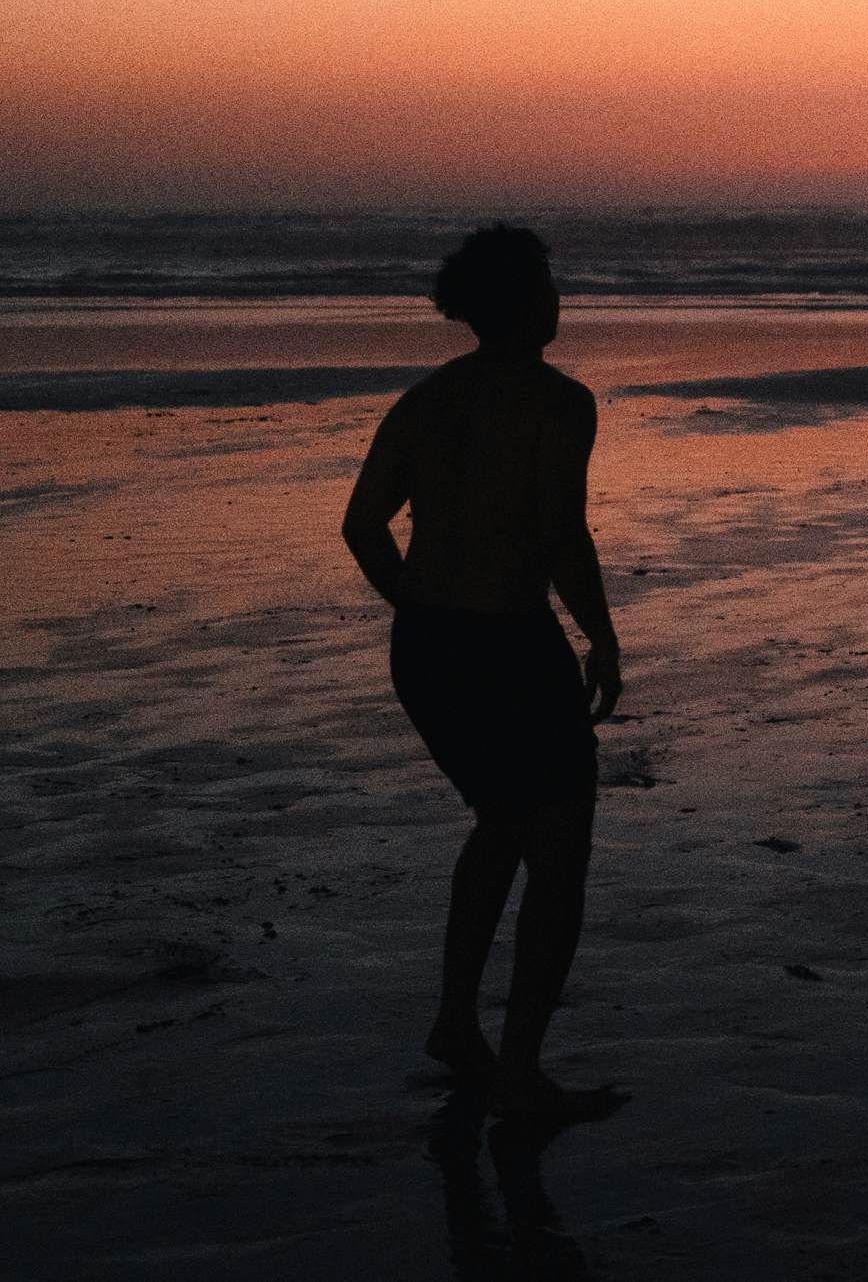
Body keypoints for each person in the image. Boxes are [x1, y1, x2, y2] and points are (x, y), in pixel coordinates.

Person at [343, 224, 622, 1120]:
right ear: (531, 303)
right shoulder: (560, 402)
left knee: (502, 820)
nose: (557, 298)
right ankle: (521, 1068)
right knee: (562, 844)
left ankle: (458, 1024)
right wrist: (602, 636)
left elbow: (362, 526)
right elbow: (559, 535)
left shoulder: (423, 400)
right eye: (549, 283)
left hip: (428, 648)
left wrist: (419, 608)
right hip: (508, 642)